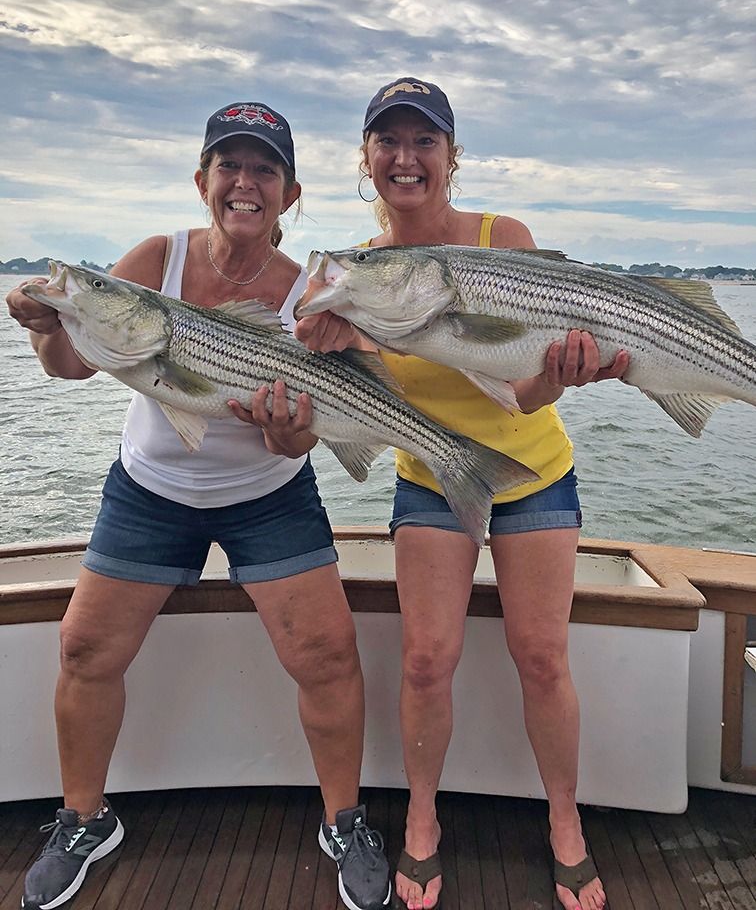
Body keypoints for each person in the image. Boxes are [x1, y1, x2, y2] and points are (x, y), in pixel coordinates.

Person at [6, 101, 391, 910]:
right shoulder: (156, 259)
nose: (245, 183)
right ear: (202, 180)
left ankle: (345, 821)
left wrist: (291, 434)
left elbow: (299, 439)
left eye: (264, 170)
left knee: (326, 654)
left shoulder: (307, 296)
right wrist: (47, 322)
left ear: (288, 194)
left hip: (268, 495)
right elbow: (71, 365)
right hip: (152, 489)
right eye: (230, 166)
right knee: (84, 650)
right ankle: (84, 821)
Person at [296, 78, 629, 910]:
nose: (406, 158)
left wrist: (561, 375)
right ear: (366, 161)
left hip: (534, 474)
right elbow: (356, 411)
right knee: (424, 660)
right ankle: (419, 819)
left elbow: (523, 392)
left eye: (424, 142)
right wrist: (325, 345)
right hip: (430, 477)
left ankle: (564, 821)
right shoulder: (352, 275)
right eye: (388, 142)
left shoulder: (499, 238)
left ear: (451, 157)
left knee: (543, 656)